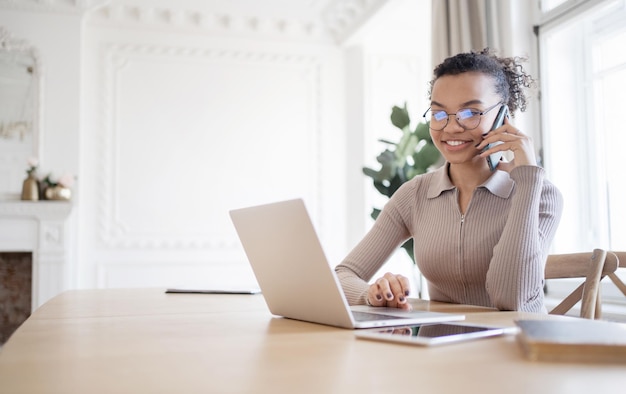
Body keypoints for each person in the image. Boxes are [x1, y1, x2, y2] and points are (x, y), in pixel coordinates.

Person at [335, 48, 563, 313]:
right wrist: (372, 294)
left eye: (470, 113)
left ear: (503, 117)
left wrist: (527, 181)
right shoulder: (415, 193)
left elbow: (512, 299)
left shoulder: (542, 195)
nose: (451, 128)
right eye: (439, 114)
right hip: (442, 350)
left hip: (515, 348)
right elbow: (342, 276)